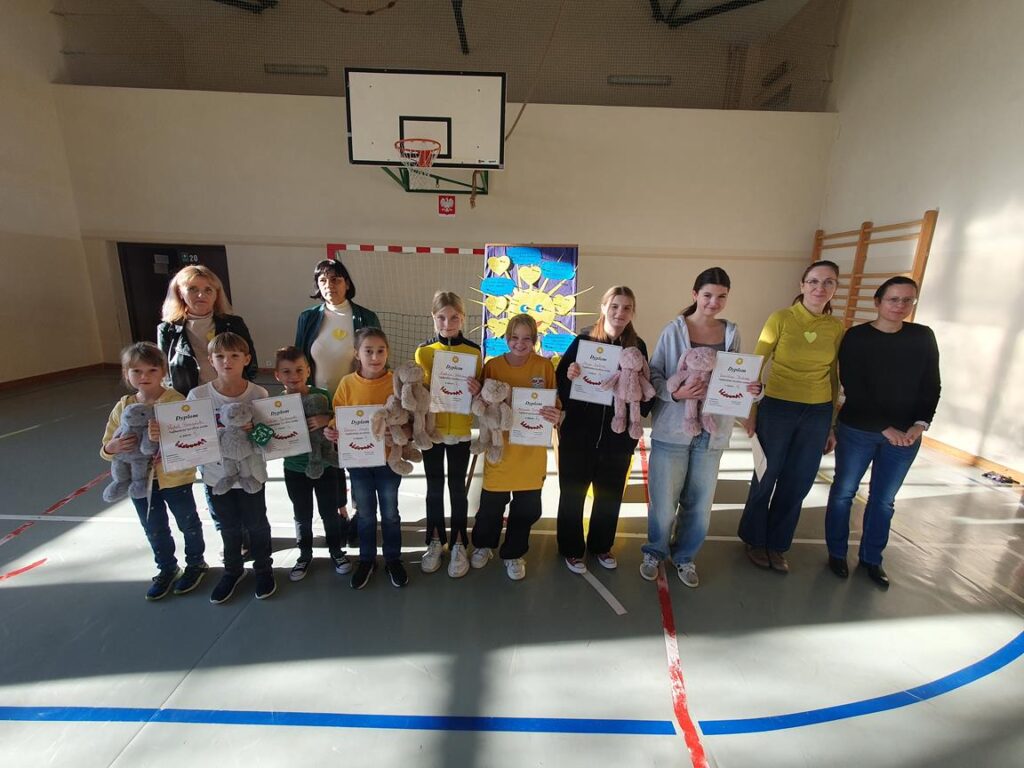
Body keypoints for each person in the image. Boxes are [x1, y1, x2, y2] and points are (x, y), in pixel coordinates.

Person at [640, 269, 760, 587]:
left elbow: (736, 376)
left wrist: (752, 390)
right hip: (672, 429)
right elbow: (654, 373)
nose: (713, 302)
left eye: (721, 296)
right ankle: (654, 551)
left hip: (713, 430)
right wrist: (676, 393)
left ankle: (684, 556)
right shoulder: (673, 331)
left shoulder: (731, 333)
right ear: (695, 295)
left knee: (700, 503)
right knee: (664, 501)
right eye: (707, 295)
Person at [825, 277, 940, 588]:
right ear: (878, 302)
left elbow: (931, 385)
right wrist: (885, 428)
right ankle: (836, 553)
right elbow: (854, 387)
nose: (900, 306)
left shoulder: (923, 337)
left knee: (884, 500)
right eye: (893, 299)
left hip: (906, 436)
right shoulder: (857, 337)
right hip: (859, 430)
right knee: (844, 492)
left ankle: (872, 558)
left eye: (908, 300)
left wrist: (919, 425)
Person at [738, 260, 845, 573]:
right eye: (813, 281)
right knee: (766, 474)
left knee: (798, 481)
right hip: (777, 408)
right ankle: (754, 539)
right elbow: (756, 364)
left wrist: (831, 424)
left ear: (835, 288)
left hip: (817, 412)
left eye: (828, 282)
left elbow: (834, 376)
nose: (820, 288)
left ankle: (777, 544)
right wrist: (751, 411)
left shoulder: (836, 327)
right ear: (802, 286)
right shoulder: (781, 318)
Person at [100, 342, 207, 600]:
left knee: (188, 522)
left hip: (175, 479)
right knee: (154, 527)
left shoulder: (176, 401)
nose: (144, 376)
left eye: (151, 370)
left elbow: (191, 439)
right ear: (126, 374)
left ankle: (196, 563)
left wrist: (165, 436)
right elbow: (106, 446)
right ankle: (167, 567)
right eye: (136, 371)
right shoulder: (123, 406)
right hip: (139, 482)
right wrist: (112, 447)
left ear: (163, 372)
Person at [556, 286, 652, 574]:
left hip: (617, 436)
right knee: (572, 494)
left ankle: (601, 545)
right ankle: (571, 549)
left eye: (626, 308)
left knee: (609, 494)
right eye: (614, 306)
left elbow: (646, 389)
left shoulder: (637, 347)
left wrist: (637, 417)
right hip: (578, 434)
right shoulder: (583, 341)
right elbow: (560, 382)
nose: (619, 313)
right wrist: (570, 375)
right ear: (603, 308)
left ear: (633, 312)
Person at [295, 257, 382, 549]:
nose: (329, 285)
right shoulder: (308, 318)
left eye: (335, 279)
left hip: (356, 401)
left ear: (347, 283)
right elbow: (299, 360)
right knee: (331, 461)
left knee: (359, 456)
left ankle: (361, 514)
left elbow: (376, 359)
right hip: (320, 404)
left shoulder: (365, 316)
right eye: (323, 280)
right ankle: (340, 513)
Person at [470, 314, 561, 581]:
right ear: (506, 337)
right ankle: (484, 545)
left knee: (527, 509)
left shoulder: (544, 366)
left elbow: (555, 402)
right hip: (500, 449)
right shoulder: (493, 366)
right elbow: (483, 402)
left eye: (526, 339)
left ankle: (514, 553)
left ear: (534, 340)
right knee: (490, 507)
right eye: (514, 337)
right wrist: (476, 392)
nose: (520, 343)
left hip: (530, 453)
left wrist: (557, 414)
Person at [188, 332, 275, 603]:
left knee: (257, 524)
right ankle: (233, 570)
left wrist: (254, 429)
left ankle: (263, 568)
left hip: (252, 474)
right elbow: (190, 435)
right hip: (217, 476)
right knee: (228, 526)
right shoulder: (198, 395)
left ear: (246, 359)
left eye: (234, 355)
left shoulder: (258, 394)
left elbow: (268, 440)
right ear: (210, 360)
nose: (227, 361)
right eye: (220, 356)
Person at [324, 328, 407, 590]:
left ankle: (393, 559)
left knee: (390, 514)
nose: (375, 357)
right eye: (368, 351)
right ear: (356, 354)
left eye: (380, 351)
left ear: (387, 352)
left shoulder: (396, 383)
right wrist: (332, 430)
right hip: (359, 463)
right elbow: (338, 416)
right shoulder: (347, 384)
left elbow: (406, 418)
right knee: (366, 514)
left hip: (388, 461)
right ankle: (367, 560)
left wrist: (401, 431)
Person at [414, 291, 482, 578]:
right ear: (433, 318)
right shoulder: (423, 352)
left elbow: (479, 391)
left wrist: (477, 389)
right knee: (434, 488)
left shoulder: (474, 352)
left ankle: (458, 543)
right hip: (432, 431)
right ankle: (434, 540)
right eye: (441, 317)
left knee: (457, 489)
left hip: (461, 432)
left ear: (462, 318)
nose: (447, 323)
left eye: (454, 317)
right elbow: (418, 392)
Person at [273, 346, 352, 582]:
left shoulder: (323, 394)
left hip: (326, 466)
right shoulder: (276, 406)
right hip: (294, 469)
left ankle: (336, 551)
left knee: (329, 511)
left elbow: (340, 419)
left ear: (308, 371)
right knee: (302, 513)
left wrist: (326, 418)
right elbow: (268, 436)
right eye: (286, 371)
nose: (293, 376)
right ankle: (304, 554)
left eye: (299, 370)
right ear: (277, 375)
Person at [157, 265, 257, 397]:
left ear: (216, 294)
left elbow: (250, 363)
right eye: (193, 289)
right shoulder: (167, 329)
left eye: (208, 290)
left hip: (232, 395)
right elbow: (164, 374)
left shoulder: (234, 324)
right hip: (189, 399)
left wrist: (244, 392)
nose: (201, 295)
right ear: (180, 293)